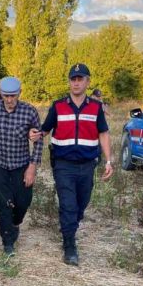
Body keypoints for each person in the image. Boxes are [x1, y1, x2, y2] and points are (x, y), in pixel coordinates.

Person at [34, 63, 114, 265]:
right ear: (69, 82)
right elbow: (45, 129)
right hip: (63, 165)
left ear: (87, 82)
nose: (76, 83)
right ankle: (69, 245)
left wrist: (109, 160)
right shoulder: (58, 106)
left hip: (87, 165)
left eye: (80, 79)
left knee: (81, 204)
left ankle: (70, 227)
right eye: (73, 79)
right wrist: (35, 134)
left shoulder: (96, 108)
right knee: (68, 205)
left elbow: (103, 134)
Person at [0, 77, 43, 256]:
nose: (9, 100)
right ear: (0, 94)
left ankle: (15, 223)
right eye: (6, 96)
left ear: (19, 94)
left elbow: (39, 140)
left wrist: (32, 166)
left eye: (13, 96)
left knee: (23, 202)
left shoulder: (30, 111)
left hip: (21, 164)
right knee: (2, 203)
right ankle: (7, 241)